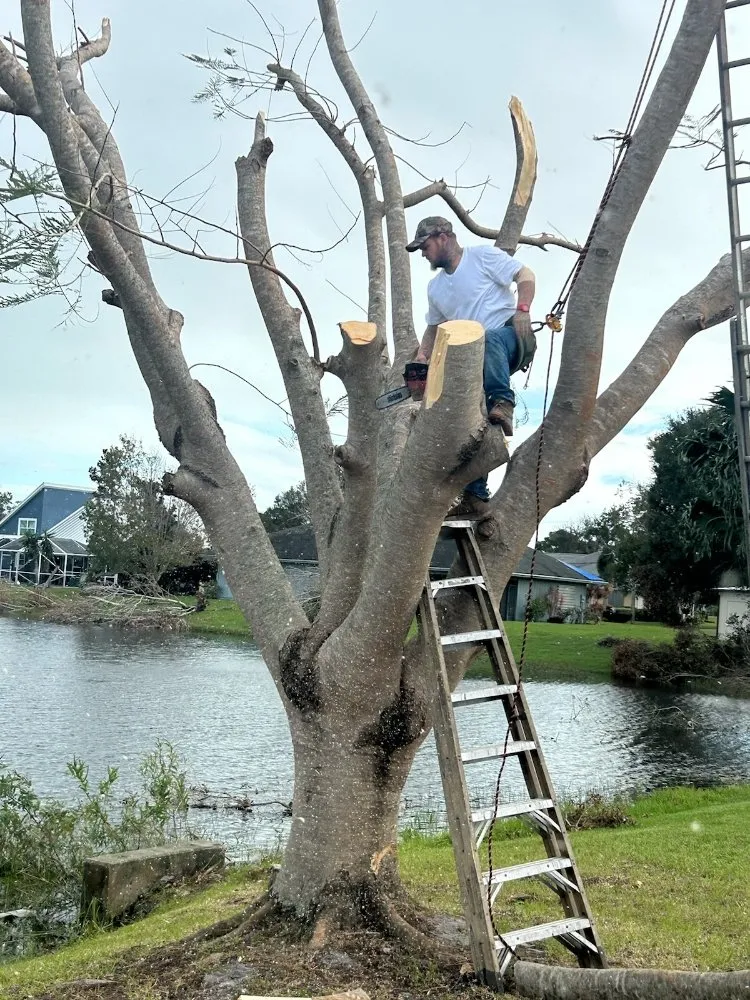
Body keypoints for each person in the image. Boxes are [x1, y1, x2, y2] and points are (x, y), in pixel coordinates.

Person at [406, 215, 536, 515]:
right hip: (473, 360)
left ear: (442, 237)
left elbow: (525, 274)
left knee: (489, 339)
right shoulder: (435, 288)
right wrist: (422, 357)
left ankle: (503, 402)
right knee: (465, 422)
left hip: (509, 336)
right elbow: (434, 326)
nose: (423, 254)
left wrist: (523, 310)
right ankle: (475, 495)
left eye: (424, 247)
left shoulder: (481, 257)